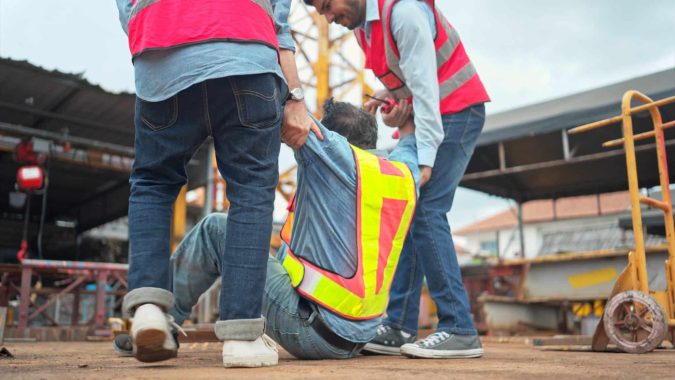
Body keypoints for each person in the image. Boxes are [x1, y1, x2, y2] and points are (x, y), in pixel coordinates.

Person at [115, 100, 419, 360]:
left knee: (215, 229)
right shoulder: (403, 174)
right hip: (360, 334)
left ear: (330, 138)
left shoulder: (332, 155)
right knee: (283, 245)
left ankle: (161, 322)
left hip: (315, 332)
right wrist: (399, 125)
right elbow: (408, 144)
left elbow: (294, 117)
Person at [114, 0, 322, 367]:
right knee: (252, 192)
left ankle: (148, 308)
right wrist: (295, 96)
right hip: (248, 56)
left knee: (153, 183)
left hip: (163, 53)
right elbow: (281, 23)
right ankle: (241, 337)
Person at [303, 0, 490, 358]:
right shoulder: (362, 28)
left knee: (426, 211)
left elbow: (427, 91)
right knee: (411, 214)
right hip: (432, 114)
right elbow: (410, 84)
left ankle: (459, 329)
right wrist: (393, 101)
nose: (328, 18)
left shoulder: (403, 14)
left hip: (455, 111)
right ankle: (400, 326)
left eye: (328, 5)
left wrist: (425, 158)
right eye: (321, 13)